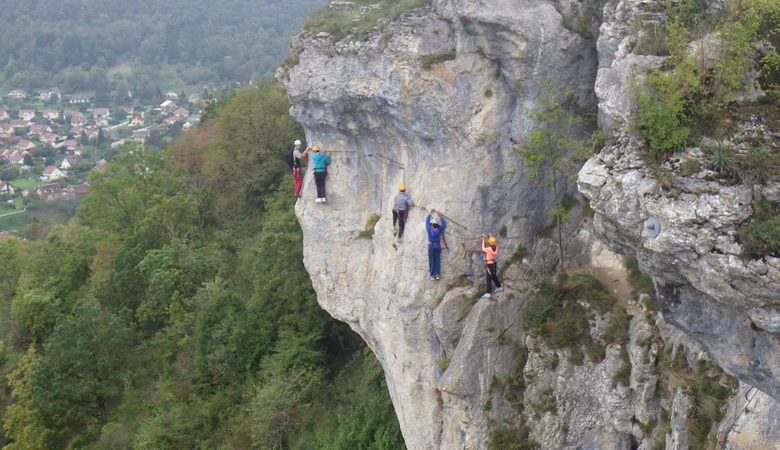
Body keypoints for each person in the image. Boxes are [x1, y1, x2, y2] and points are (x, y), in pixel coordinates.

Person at [425, 209, 447, 280]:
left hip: (431, 246)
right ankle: (437, 274)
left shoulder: (429, 229)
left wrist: (429, 213)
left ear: (431, 224)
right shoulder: (439, 229)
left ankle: (432, 275)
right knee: (437, 260)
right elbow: (444, 224)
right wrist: (440, 216)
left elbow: (426, 221)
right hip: (437, 246)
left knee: (431, 261)